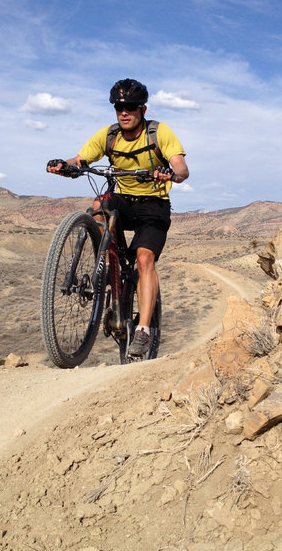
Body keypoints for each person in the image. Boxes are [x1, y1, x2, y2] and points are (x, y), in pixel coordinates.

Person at [47, 78, 189, 357]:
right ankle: (106, 263)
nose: (124, 112)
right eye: (119, 107)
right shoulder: (109, 135)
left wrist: (170, 174)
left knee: (145, 258)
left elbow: (182, 168)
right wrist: (65, 165)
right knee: (100, 203)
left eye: (131, 107)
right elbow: (81, 159)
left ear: (143, 109)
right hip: (123, 201)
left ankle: (144, 331)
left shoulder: (159, 133)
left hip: (154, 204)